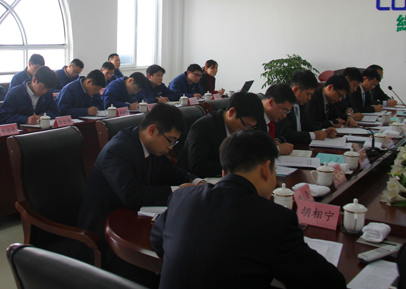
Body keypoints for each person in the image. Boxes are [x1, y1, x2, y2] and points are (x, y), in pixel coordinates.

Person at [151, 129, 347, 289]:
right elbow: (328, 283)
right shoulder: (275, 219)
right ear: (266, 169)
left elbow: (157, 241)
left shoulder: (182, 197)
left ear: (224, 172)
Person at [77, 103, 200, 285]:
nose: (171, 147)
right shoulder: (117, 150)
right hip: (106, 237)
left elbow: (172, 171)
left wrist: (196, 181)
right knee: (158, 273)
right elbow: (131, 194)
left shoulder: (152, 146)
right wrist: (178, 191)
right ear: (152, 130)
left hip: (134, 222)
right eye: (170, 140)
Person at [182, 92, 263, 178]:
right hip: (198, 180)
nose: (247, 130)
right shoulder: (203, 128)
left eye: (251, 127)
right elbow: (197, 166)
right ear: (231, 112)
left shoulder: (244, 127)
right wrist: (236, 168)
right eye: (246, 125)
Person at [275, 71, 335, 145]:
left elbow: (307, 125)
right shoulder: (283, 105)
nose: (309, 98)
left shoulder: (301, 104)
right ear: (296, 90)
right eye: (308, 94)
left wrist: (323, 131)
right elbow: (286, 133)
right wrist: (313, 135)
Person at [256, 84, 296, 155]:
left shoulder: (273, 116)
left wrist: (276, 140)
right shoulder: (253, 117)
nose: (284, 116)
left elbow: (280, 134)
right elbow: (252, 149)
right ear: (271, 102)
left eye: (287, 112)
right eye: (284, 110)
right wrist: (277, 149)